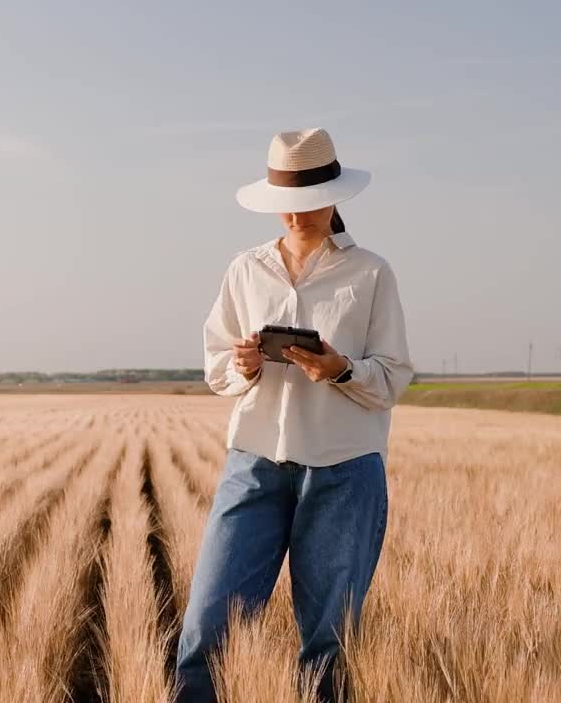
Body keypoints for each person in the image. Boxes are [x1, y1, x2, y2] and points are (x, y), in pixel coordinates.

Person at [174, 128, 413, 702]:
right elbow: (216, 371)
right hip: (253, 465)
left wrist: (339, 368)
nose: (296, 214)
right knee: (208, 631)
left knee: (328, 647)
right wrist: (247, 364)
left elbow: (393, 376)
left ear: (334, 197)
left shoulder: (371, 273)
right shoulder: (245, 269)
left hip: (343, 472)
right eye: (288, 203)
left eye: (308, 202)